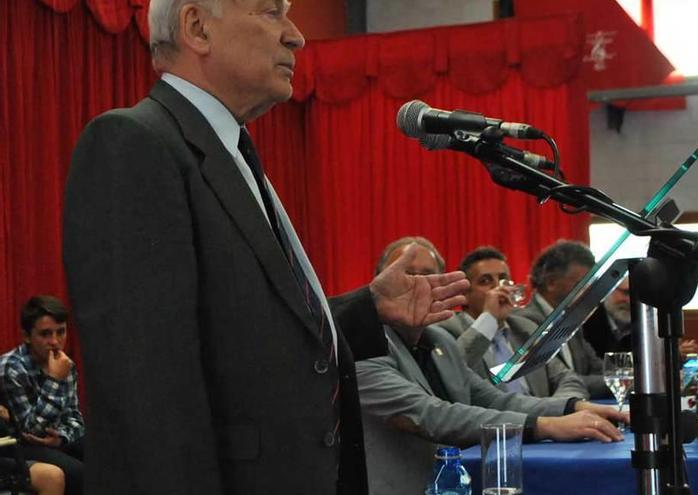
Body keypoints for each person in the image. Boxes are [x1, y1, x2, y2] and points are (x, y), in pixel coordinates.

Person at [62, 1, 468, 493]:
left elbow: (242, 335)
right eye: (271, 12)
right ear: (197, 27)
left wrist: (368, 307)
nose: (295, 36)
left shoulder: (231, 152)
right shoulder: (134, 144)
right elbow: (148, 395)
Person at [358, 238, 628, 494]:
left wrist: (574, 407)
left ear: (442, 285)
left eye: (427, 275)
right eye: (406, 274)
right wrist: (545, 425)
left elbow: (495, 400)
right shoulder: (362, 343)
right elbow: (430, 415)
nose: (416, 284)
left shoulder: (438, 340)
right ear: (379, 283)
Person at [432, 246, 588, 399]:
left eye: (503, 279)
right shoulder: (447, 329)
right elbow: (450, 376)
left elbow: (568, 378)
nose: (499, 288)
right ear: (465, 292)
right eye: (485, 281)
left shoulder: (525, 327)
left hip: (542, 419)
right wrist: (489, 320)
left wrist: (556, 409)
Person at [0, 296, 83, 495]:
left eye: (60, 332)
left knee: (113, 457)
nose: (55, 342)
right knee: (79, 473)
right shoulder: (11, 368)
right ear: (27, 336)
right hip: (20, 445)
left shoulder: (64, 364)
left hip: (55, 439)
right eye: (45, 334)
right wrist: (54, 380)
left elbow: (75, 418)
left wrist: (62, 438)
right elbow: (30, 431)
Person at [518, 240, 611, 398]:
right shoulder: (522, 324)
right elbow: (557, 383)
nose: (589, 291)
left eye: (591, 283)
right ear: (551, 283)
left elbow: (600, 370)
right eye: (581, 284)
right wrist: (626, 379)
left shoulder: (571, 319)